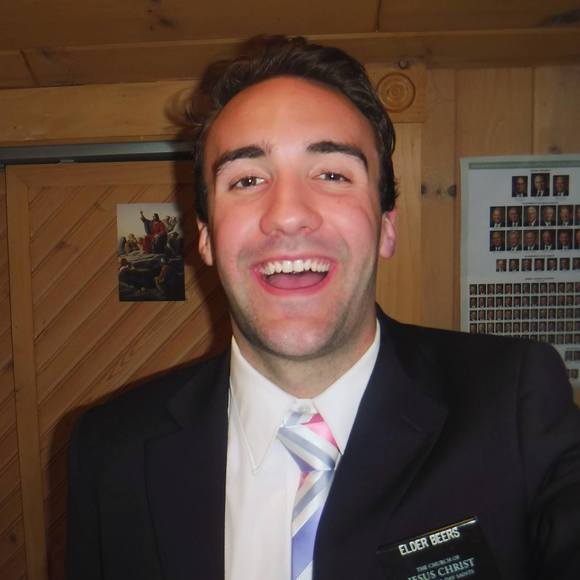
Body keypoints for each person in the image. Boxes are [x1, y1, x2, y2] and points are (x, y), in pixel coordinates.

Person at [67, 36, 580, 580]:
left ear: (386, 226)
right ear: (207, 238)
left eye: (332, 174)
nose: (288, 215)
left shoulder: (514, 401)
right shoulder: (112, 449)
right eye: (247, 179)